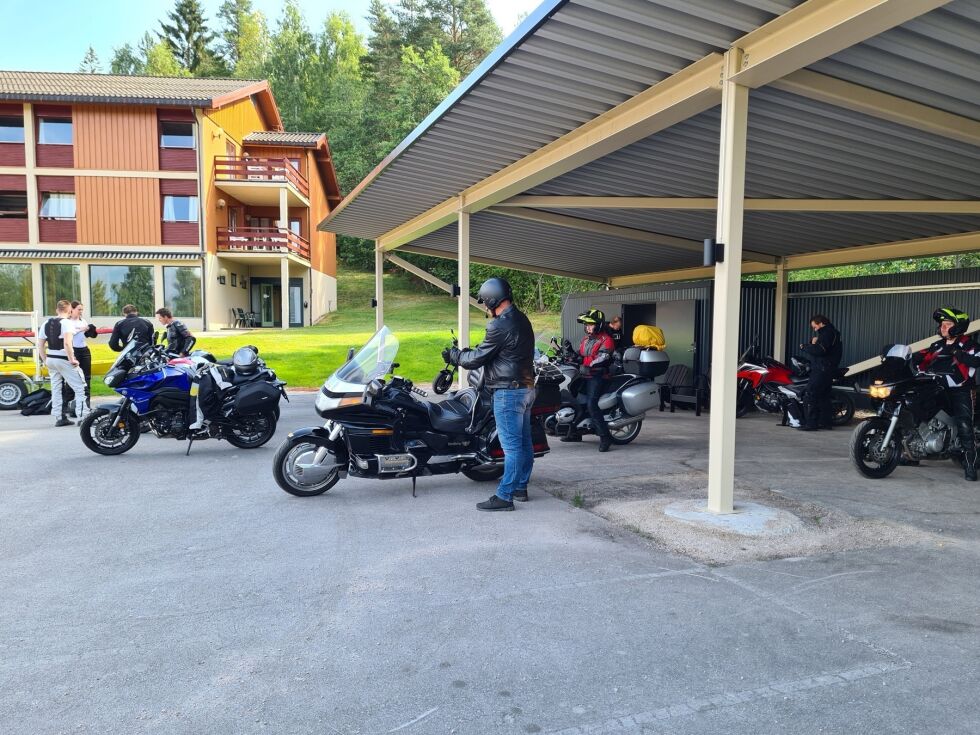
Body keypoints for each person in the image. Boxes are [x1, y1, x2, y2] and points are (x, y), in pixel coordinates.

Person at [443, 277, 535, 512]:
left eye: (485, 302)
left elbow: (476, 359)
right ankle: (520, 487)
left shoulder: (499, 325)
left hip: (508, 392)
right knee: (524, 444)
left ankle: (505, 496)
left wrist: (455, 356)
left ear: (492, 299)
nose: (485, 307)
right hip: (526, 389)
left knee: (512, 448)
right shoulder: (522, 320)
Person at [913, 307, 980, 481]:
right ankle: (910, 453)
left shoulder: (969, 344)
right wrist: (912, 358)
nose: (943, 328)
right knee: (915, 412)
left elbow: (976, 360)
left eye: (947, 324)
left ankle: (970, 466)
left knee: (964, 424)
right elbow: (923, 359)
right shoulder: (937, 345)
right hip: (935, 388)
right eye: (942, 325)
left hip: (961, 389)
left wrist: (959, 354)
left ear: (958, 326)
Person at [567, 308, 616, 451]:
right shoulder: (586, 340)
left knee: (591, 405)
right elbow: (580, 354)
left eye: (590, 324)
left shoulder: (606, 340)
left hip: (598, 376)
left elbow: (601, 359)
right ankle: (575, 433)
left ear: (599, 325)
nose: (587, 327)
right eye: (586, 324)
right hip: (585, 375)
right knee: (576, 402)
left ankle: (605, 437)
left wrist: (581, 359)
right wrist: (570, 353)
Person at [36, 299, 88, 427]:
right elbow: (67, 343)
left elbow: (40, 344)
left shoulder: (46, 323)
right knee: (80, 387)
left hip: (51, 358)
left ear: (56, 310)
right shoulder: (67, 323)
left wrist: (44, 360)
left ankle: (59, 417)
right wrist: (72, 359)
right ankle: (83, 417)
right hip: (63, 357)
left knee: (56, 388)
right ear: (70, 310)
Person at [798, 314, 842, 432]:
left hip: (821, 369)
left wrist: (805, 347)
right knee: (823, 397)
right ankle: (825, 422)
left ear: (821, 323)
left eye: (815, 327)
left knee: (810, 395)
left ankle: (811, 424)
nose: (814, 329)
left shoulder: (827, 333)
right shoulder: (833, 333)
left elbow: (820, 350)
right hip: (828, 369)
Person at [66, 301, 98, 411]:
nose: (80, 311)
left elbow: (86, 334)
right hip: (73, 350)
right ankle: (69, 404)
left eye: (81, 309)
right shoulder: (67, 321)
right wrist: (82, 329)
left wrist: (90, 330)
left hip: (83, 350)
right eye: (79, 309)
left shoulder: (82, 320)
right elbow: (69, 333)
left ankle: (86, 404)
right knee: (71, 377)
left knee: (86, 377)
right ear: (72, 309)